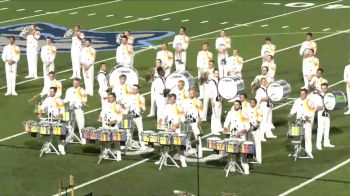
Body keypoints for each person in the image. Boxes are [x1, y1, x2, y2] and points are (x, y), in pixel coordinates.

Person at [158, 93, 187, 167]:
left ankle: (183, 161)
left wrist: (175, 126)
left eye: (172, 99)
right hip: (168, 127)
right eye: (169, 99)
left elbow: (182, 119)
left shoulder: (179, 107)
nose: (170, 100)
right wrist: (160, 122)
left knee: (179, 145)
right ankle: (162, 159)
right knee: (164, 144)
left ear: (175, 99)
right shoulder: (167, 107)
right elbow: (163, 116)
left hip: (176, 128)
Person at [288, 88, 318, 159]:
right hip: (298, 122)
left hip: (306, 122)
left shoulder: (309, 101)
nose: (301, 95)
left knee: (307, 137)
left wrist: (309, 117)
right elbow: (294, 109)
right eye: (300, 94)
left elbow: (312, 110)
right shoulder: (297, 101)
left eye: (303, 94)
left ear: (306, 94)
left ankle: (309, 152)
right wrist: (290, 114)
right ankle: (296, 152)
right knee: (297, 138)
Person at [223, 100, 250, 175]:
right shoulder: (230, 113)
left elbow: (247, 126)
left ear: (240, 105)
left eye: (237, 104)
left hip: (241, 135)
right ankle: (232, 167)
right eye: (234, 104)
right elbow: (226, 122)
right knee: (231, 151)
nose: (235, 106)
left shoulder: (244, 113)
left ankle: (246, 168)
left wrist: (242, 132)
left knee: (243, 152)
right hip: (232, 134)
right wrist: (225, 129)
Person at [38, 87, 66, 155]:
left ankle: (61, 149)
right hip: (49, 118)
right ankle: (47, 148)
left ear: (55, 92)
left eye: (52, 91)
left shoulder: (58, 100)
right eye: (50, 91)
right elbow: (42, 107)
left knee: (60, 134)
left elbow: (62, 110)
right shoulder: (47, 99)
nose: (51, 93)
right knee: (48, 134)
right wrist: (40, 114)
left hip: (56, 119)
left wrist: (59, 116)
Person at [98, 92, 125, 161]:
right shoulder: (105, 104)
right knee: (105, 140)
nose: (109, 99)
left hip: (114, 125)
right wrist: (100, 117)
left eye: (111, 97)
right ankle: (106, 154)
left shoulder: (118, 106)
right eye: (108, 97)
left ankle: (119, 156)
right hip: (105, 124)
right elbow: (102, 112)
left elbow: (121, 115)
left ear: (114, 98)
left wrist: (115, 121)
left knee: (116, 140)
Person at [63, 78, 87, 144]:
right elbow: (66, 99)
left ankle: (83, 139)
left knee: (81, 125)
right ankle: (70, 137)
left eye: (76, 83)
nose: (75, 84)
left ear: (79, 83)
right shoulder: (69, 90)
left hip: (78, 110)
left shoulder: (82, 91)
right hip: (71, 110)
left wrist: (80, 105)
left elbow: (84, 101)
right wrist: (61, 101)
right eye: (74, 83)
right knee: (70, 125)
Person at [125, 85, 147, 150]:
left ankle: (142, 145)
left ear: (138, 90)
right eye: (133, 89)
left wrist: (142, 109)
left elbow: (143, 108)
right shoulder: (128, 97)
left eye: (135, 89)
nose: (133, 90)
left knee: (140, 131)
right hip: (129, 116)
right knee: (128, 132)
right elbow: (125, 105)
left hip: (137, 116)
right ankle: (128, 145)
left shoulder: (141, 97)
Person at [183, 88, 203, 158]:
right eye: (190, 93)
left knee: (197, 136)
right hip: (187, 121)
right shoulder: (185, 101)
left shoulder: (198, 101)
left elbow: (200, 111)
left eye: (192, 93)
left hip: (195, 121)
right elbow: (184, 111)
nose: (191, 95)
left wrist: (200, 120)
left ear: (195, 94)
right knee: (186, 136)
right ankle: (187, 149)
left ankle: (200, 153)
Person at [315, 83, 335, 150]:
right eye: (322, 88)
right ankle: (318, 144)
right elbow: (317, 108)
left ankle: (326, 143)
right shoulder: (318, 96)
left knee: (327, 129)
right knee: (320, 129)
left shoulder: (329, 95)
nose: (323, 89)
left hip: (327, 114)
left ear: (327, 88)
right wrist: (324, 106)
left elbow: (331, 105)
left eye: (325, 88)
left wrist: (329, 107)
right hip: (321, 114)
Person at [247, 99, 263, 164]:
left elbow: (260, 117)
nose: (252, 104)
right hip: (249, 129)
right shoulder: (247, 110)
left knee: (257, 144)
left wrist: (256, 125)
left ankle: (259, 159)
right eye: (251, 102)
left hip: (256, 129)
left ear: (255, 103)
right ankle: (250, 158)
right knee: (249, 144)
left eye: (253, 103)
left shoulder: (258, 109)